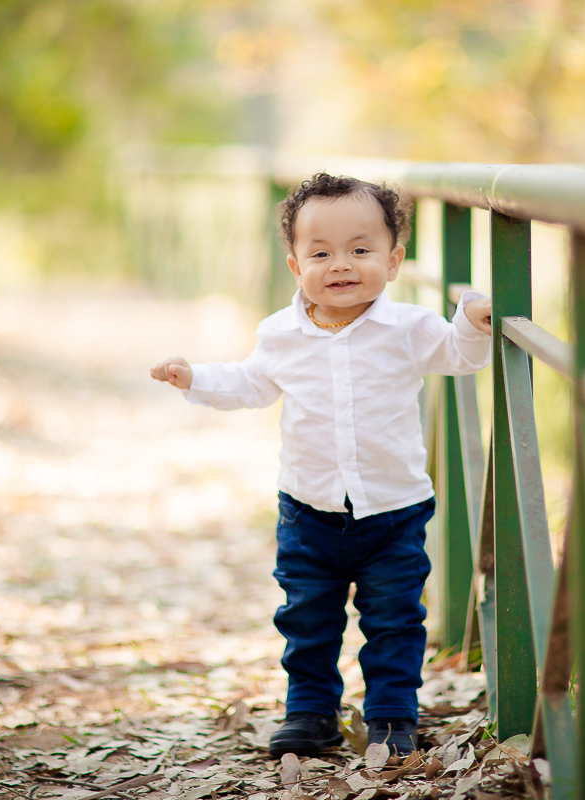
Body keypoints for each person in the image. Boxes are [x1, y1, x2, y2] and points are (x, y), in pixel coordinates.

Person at [150, 173, 493, 757]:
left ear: (394, 260)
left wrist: (473, 319)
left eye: (361, 250)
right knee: (306, 619)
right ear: (294, 266)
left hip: (393, 510)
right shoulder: (281, 334)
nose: (342, 264)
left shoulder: (409, 328)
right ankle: (310, 712)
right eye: (321, 253)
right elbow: (251, 383)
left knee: (394, 620)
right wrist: (197, 379)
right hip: (307, 510)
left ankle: (391, 716)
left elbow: (458, 357)